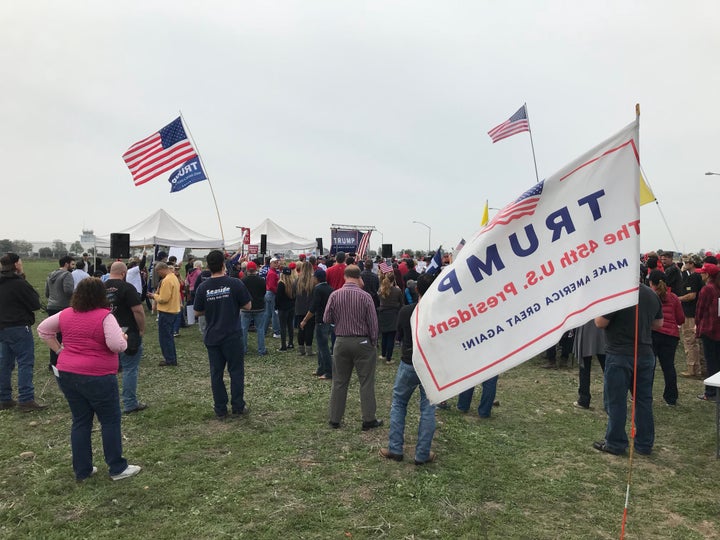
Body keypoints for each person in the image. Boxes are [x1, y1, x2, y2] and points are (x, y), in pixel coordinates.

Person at [37, 278, 141, 481]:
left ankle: (82, 470)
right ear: (101, 296)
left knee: (81, 421)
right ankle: (117, 467)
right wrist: (124, 338)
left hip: (67, 373)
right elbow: (117, 346)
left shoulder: (66, 314)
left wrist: (60, 350)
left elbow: (43, 329)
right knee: (110, 420)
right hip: (98, 376)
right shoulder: (105, 316)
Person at [593, 283, 663, 456]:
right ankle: (644, 444)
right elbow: (659, 324)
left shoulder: (618, 292)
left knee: (616, 401)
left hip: (620, 355)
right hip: (645, 354)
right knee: (643, 400)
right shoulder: (651, 294)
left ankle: (615, 443)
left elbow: (600, 322)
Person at [379, 274, 440, 465]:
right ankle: (422, 453)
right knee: (428, 408)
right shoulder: (441, 312)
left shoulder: (406, 311)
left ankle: (395, 448)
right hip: (430, 364)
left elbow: (400, 335)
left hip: (409, 362)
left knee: (399, 403)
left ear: (416, 289)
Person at [193, 250, 252, 419]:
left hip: (213, 336)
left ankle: (220, 409)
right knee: (236, 372)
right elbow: (247, 305)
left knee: (216, 374)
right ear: (223, 265)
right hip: (232, 335)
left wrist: (212, 307)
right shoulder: (235, 283)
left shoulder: (203, 287)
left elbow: (197, 311)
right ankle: (238, 406)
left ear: (208, 266)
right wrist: (231, 304)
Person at [324, 264, 381, 430]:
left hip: (341, 341)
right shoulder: (365, 297)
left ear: (344, 276)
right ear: (359, 277)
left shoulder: (335, 295)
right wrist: (373, 341)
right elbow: (373, 323)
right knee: (366, 382)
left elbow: (326, 318)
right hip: (362, 342)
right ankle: (368, 419)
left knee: (340, 382)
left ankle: (335, 419)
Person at [0, 253, 46, 411]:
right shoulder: (19, 283)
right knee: (25, 362)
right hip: (18, 326)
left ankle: (4, 398)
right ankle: (26, 399)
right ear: (16, 264)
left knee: (5, 363)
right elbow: (35, 303)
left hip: (2, 327)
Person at [104, 262, 147, 414]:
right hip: (128, 332)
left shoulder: (100, 288)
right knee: (130, 368)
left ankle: (107, 402)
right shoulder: (127, 288)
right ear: (124, 273)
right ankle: (130, 403)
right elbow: (138, 311)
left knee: (108, 369)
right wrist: (141, 328)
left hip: (106, 332)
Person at [648, 269, 684, 406]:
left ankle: (644, 395)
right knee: (668, 367)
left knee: (649, 366)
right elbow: (680, 319)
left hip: (653, 333)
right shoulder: (674, 298)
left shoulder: (649, 297)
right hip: (670, 336)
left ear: (651, 282)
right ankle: (671, 397)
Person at [300, 269, 333, 379]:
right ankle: (321, 368)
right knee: (321, 346)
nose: (312, 279)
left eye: (314, 277)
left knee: (323, 347)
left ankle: (329, 371)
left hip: (320, 320)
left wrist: (305, 320)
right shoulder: (330, 288)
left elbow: (313, 307)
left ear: (317, 278)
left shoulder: (318, 289)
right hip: (329, 320)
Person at [147, 262, 181, 366]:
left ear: (161, 269)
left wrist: (154, 296)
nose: (158, 274)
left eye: (158, 272)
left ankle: (169, 359)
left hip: (166, 312)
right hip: (174, 310)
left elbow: (164, 299)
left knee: (165, 337)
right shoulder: (174, 277)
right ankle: (172, 358)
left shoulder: (166, 280)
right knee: (169, 337)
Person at [695, 262, 720, 401]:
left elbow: (700, 309)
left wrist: (697, 325)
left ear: (708, 274)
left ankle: (710, 393)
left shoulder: (707, 289)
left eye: (703, 273)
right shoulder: (717, 288)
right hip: (717, 330)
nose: (701, 275)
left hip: (709, 330)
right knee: (717, 361)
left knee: (711, 362)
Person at [45, 255, 75, 369]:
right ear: (66, 264)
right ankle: (63, 361)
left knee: (53, 336)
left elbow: (47, 293)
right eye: (72, 264)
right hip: (63, 307)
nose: (73, 267)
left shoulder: (50, 275)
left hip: (51, 306)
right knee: (65, 336)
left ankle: (53, 361)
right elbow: (68, 291)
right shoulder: (67, 275)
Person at [678, 255, 704, 378]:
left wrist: (678, 299)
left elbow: (692, 295)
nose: (684, 264)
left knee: (690, 341)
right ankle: (701, 368)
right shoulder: (701, 276)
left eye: (686, 262)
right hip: (696, 312)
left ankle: (692, 369)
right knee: (697, 342)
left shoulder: (694, 277)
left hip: (690, 313)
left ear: (692, 264)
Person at [572, 320, 606, 409]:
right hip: (600, 328)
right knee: (607, 367)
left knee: (585, 367)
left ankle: (584, 399)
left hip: (591, 326)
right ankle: (584, 399)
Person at [240, 261, 268, 356]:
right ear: (256, 269)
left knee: (243, 329)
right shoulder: (261, 280)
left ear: (247, 269)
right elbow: (264, 292)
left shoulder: (243, 280)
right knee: (260, 329)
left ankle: (243, 350)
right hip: (259, 307)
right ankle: (261, 350)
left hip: (246, 308)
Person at [377, 271, 403, 364]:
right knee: (391, 337)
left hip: (383, 314)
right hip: (393, 314)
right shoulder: (397, 291)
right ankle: (388, 358)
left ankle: (383, 355)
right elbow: (401, 303)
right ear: (393, 279)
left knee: (384, 336)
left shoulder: (381, 290)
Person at [294, 261, 315, 356]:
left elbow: (294, 293)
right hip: (310, 309)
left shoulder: (297, 281)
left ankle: (301, 349)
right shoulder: (313, 281)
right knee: (309, 329)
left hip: (299, 308)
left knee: (301, 329)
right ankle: (309, 349)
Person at [275, 267, 296, 352]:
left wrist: (276, 306)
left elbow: (278, 298)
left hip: (283, 308)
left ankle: (283, 346)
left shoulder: (281, 283)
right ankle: (291, 343)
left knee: (283, 326)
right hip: (291, 307)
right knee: (290, 325)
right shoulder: (293, 283)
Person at [264, 257, 281, 338]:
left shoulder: (272, 272)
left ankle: (264, 330)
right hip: (272, 294)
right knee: (274, 314)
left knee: (268, 314)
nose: (276, 264)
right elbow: (271, 286)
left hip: (269, 293)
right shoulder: (272, 273)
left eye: (277, 262)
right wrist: (278, 292)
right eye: (274, 263)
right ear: (270, 263)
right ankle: (276, 332)